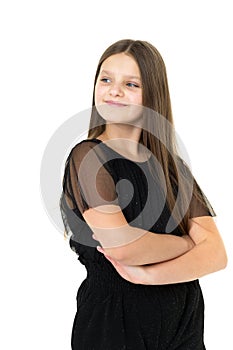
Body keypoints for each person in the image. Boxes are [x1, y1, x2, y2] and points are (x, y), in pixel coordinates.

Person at [60, 39, 227, 349]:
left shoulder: (171, 167)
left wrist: (150, 276)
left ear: (153, 94)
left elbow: (217, 254)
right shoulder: (89, 158)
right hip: (116, 319)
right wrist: (189, 243)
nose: (114, 91)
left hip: (184, 319)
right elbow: (123, 247)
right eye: (106, 79)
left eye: (131, 84)